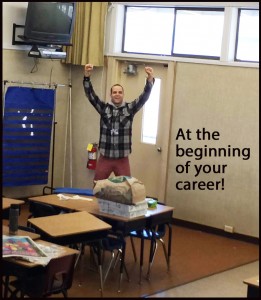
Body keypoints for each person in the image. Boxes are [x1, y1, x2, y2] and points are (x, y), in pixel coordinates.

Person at [83, 63, 155, 182]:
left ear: (123, 94)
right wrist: (86, 77)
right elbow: (90, 95)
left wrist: (150, 80)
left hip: (122, 159)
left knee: (126, 189)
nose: (117, 94)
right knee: (97, 187)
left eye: (120, 92)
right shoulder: (104, 108)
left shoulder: (130, 109)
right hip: (105, 158)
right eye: (114, 92)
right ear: (111, 94)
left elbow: (144, 97)